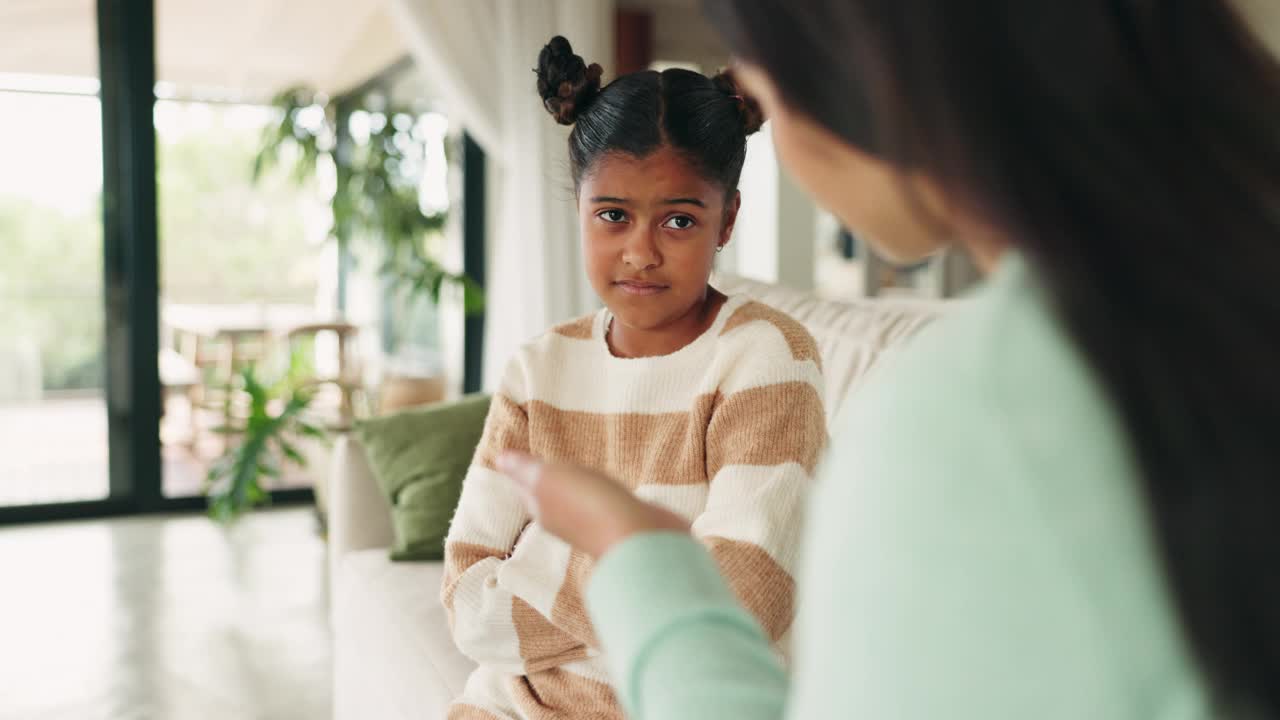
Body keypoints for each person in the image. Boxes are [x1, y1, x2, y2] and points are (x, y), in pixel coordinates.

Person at [498, 1, 1280, 718]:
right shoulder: (1208, 314)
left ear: (867, 65)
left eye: (752, 58)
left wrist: (640, 558)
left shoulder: (970, 417)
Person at [441, 36, 827, 720]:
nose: (640, 253)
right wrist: (653, 586)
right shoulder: (538, 368)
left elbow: (741, 604)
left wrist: (538, 572)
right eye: (612, 216)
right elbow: (468, 603)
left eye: (679, 219)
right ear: (581, 211)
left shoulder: (765, 357)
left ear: (727, 219)